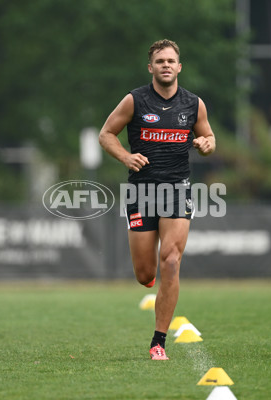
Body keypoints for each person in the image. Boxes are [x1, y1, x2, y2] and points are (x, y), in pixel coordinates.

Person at [99, 39, 216, 360]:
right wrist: (126, 156)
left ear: (179, 67)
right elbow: (106, 134)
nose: (166, 65)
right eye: (160, 61)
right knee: (144, 273)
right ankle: (149, 279)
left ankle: (158, 341)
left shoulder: (194, 104)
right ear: (150, 67)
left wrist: (207, 144)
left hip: (177, 189)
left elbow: (208, 136)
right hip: (140, 192)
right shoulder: (134, 100)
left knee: (172, 260)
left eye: (171, 61)